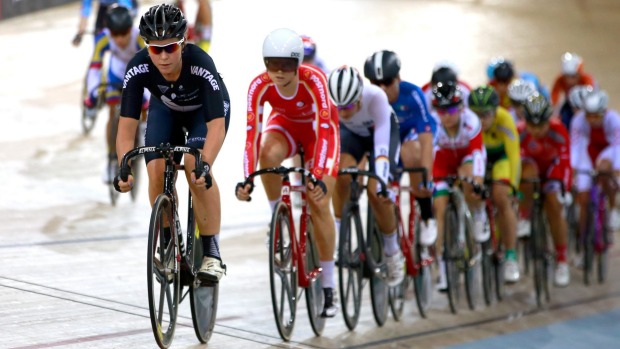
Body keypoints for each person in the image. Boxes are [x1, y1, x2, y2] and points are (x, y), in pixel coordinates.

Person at [114, 4, 230, 283]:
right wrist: (123, 165)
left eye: (170, 48)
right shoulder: (138, 67)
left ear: (183, 43)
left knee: (193, 166)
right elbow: (126, 127)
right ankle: (168, 244)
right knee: (156, 170)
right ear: (146, 48)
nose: (164, 56)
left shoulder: (201, 63)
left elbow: (216, 125)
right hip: (166, 110)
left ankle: (212, 253)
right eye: (156, 49)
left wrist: (205, 164)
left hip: (205, 114)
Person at [235, 28, 340, 318]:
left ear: (298, 64)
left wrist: (317, 174)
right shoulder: (258, 85)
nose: (279, 72)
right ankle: (277, 217)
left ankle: (330, 286)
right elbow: (250, 136)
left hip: (317, 135)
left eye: (286, 66)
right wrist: (247, 178)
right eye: (272, 64)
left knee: (318, 200)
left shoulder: (315, 79)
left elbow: (328, 130)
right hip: (286, 128)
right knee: (267, 155)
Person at [328, 65, 405, 287]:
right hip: (352, 136)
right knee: (339, 174)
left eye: (349, 105)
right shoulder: (332, 101)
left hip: (382, 134)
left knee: (376, 192)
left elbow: (381, 149)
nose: (343, 112)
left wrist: (381, 183)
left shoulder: (376, 97)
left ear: (360, 97)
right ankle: (339, 233)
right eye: (339, 107)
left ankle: (392, 251)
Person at [363, 50, 436, 246]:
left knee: (410, 150)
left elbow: (427, 140)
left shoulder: (412, 94)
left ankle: (427, 215)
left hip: (411, 140)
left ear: (398, 78)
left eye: (387, 82)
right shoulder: (368, 99)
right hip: (388, 144)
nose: (382, 88)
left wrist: (426, 178)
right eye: (376, 84)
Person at [429, 81, 487, 291]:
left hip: (466, 159)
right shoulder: (433, 123)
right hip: (443, 162)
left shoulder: (471, 121)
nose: (447, 116)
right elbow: (430, 155)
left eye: (452, 109)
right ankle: (443, 271)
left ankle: (479, 213)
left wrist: (477, 183)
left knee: (468, 180)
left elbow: (477, 154)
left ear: (461, 107)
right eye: (442, 111)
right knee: (439, 207)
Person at [83, 4, 149, 183]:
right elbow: (95, 67)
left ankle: (143, 127)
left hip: (139, 73)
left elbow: (152, 68)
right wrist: (92, 93)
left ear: (130, 29)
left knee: (146, 103)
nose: (120, 40)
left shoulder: (140, 37)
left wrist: (149, 97)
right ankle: (111, 159)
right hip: (116, 74)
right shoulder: (103, 38)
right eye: (115, 35)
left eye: (124, 34)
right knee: (112, 114)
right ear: (109, 31)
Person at [468, 86, 522, 283]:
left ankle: (510, 256)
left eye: (486, 115)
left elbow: (515, 155)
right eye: (477, 115)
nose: (481, 121)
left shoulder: (505, 119)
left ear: (495, 112)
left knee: (501, 197)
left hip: (501, 159)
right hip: (478, 159)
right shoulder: (467, 123)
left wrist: (514, 187)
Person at [517, 93, 571, 287]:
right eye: (532, 125)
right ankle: (524, 216)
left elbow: (565, 163)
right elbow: (515, 165)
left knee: (554, 207)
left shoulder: (559, 130)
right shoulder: (520, 132)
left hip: (552, 170)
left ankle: (562, 260)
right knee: (527, 171)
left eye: (541, 126)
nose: (537, 130)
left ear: (549, 120)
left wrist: (564, 190)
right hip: (531, 170)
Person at [570, 89, 620, 244]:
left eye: (596, 115)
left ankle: (613, 209)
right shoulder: (578, 120)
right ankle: (583, 242)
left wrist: (617, 168)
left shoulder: (614, 120)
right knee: (583, 199)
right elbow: (575, 145)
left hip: (608, 152)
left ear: (604, 112)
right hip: (588, 154)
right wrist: (574, 168)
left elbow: (618, 146)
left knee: (604, 170)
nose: (591, 119)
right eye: (588, 115)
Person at [550, 52, 597, 129]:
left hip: (586, 105)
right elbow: (554, 97)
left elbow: (593, 99)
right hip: (570, 104)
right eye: (566, 77)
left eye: (573, 77)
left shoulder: (587, 80)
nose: (569, 81)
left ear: (579, 74)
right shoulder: (560, 80)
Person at [72, 0, 138, 46]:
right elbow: (85, 10)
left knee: (122, 32)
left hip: (126, 4)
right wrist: (80, 32)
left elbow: (125, 7)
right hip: (105, 5)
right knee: (98, 37)